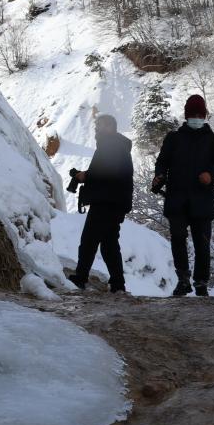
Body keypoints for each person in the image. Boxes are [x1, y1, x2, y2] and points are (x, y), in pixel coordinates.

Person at [152, 94, 214, 297]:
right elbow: (162, 162)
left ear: (204, 116)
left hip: (202, 201)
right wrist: (160, 175)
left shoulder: (213, 140)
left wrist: (211, 174)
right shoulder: (173, 138)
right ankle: (183, 281)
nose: (196, 117)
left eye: (199, 114)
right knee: (178, 239)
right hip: (176, 199)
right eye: (193, 114)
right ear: (186, 116)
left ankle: (201, 284)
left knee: (202, 244)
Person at [69, 114, 134, 293]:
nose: (96, 128)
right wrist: (87, 175)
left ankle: (80, 278)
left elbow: (107, 171)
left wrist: (85, 176)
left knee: (89, 240)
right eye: (96, 125)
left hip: (106, 201)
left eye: (100, 125)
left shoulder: (110, 145)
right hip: (115, 202)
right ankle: (118, 284)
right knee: (109, 244)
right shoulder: (117, 145)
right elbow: (107, 170)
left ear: (110, 127)